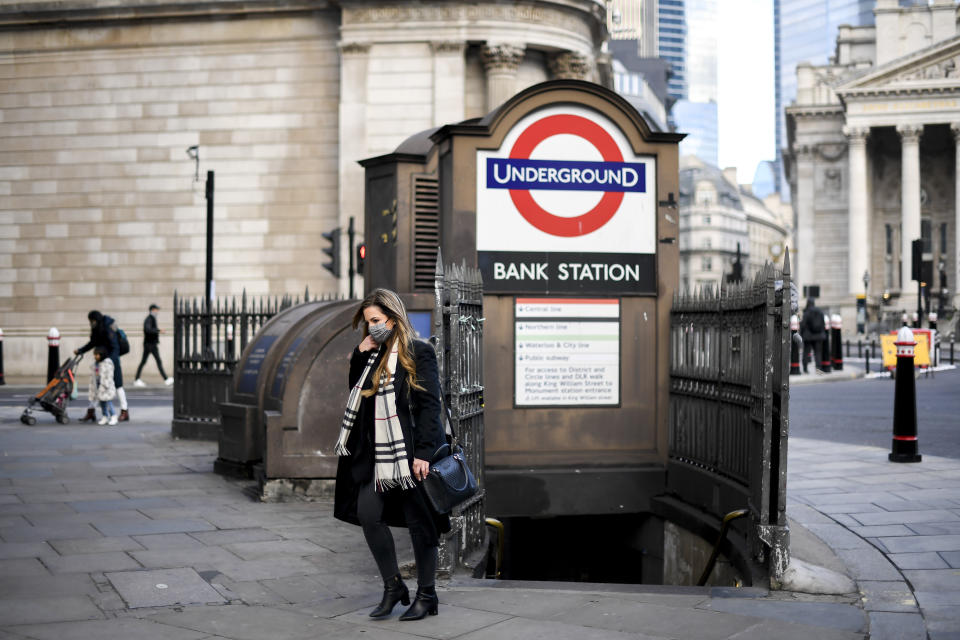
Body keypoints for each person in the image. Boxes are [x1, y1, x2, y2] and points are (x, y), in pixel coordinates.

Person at [333, 288, 449, 621]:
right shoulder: (372, 354)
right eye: (367, 322)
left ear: (394, 318)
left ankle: (427, 595)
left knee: (420, 525)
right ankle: (393, 586)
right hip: (376, 457)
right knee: (369, 515)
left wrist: (425, 453)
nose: (371, 328)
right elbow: (359, 393)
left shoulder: (418, 352)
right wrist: (359, 352)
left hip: (410, 455)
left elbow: (430, 406)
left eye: (375, 321)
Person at [75, 310, 129, 422]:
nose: (91, 323)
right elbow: (92, 343)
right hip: (100, 360)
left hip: (111, 360)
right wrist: (81, 350)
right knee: (96, 385)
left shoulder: (108, 325)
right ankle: (91, 411)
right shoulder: (96, 329)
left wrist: (111, 361)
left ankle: (124, 411)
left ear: (96, 319)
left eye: (92, 321)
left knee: (118, 384)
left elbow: (115, 346)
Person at [134, 304, 172, 387]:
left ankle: (137, 379)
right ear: (152, 310)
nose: (157, 311)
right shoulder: (149, 319)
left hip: (150, 344)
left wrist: (157, 330)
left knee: (145, 362)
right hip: (150, 344)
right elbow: (148, 330)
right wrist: (158, 331)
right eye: (156, 310)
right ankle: (166, 379)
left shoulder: (151, 318)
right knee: (157, 361)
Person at [90, 346, 118, 426]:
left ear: (101, 354)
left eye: (97, 354)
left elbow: (109, 375)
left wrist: (105, 384)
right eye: (94, 354)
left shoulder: (107, 363)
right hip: (98, 385)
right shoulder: (96, 363)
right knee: (102, 403)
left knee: (108, 402)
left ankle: (113, 416)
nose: (95, 356)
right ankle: (105, 416)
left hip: (106, 386)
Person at [800, 298, 826, 374]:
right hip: (818, 336)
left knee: (806, 352)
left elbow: (803, 325)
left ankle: (805, 369)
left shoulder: (806, 312)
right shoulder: (820, 311)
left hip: (808, 336)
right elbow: (823, 324)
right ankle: (818, 370)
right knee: (818, 353)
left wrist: (802, 334)